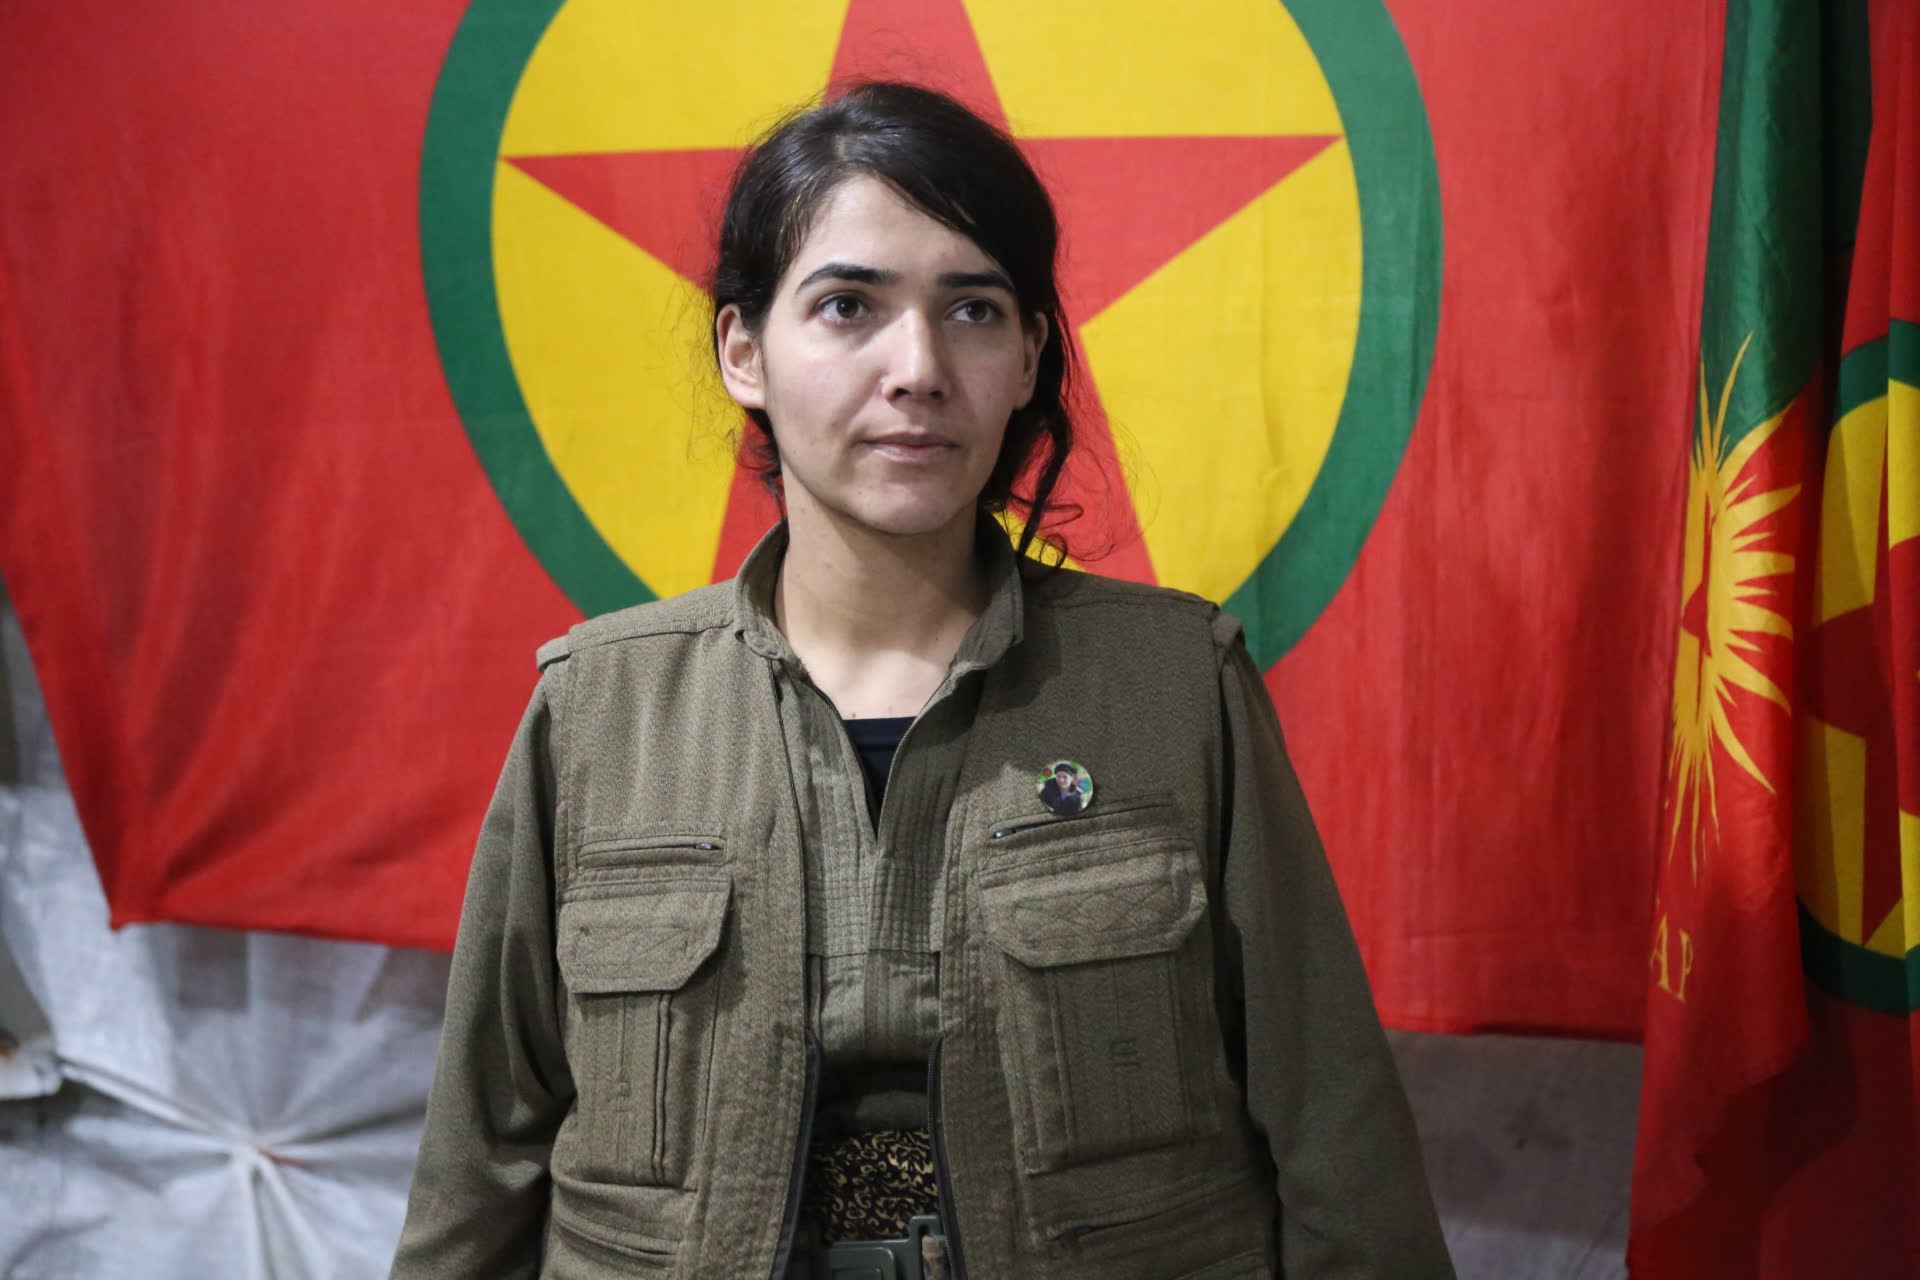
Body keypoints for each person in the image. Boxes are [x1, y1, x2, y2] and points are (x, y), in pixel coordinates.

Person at [392, 81, 1453, 1279]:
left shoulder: (1175, 687)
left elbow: (1336, 1134)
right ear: (743, 350)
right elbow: (482, 1155)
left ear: (1028, 356)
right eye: (847, 305)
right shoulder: (599, 711)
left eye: (973, 310)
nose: (918, 367)